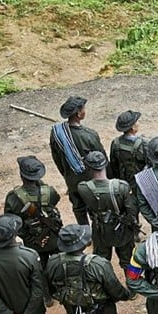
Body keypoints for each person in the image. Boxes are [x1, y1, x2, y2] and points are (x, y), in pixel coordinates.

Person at [49, 96, 107, 225]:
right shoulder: (89, 135)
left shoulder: (57, 132)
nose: (85, 111)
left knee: (78, 207)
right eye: (84, 109)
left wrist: (66, 174)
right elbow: (102, 159)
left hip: (71, 178)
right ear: (78, 114)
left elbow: (56, 158)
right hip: (90, 179)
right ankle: (97, 230)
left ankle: (84, 231)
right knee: (95, 207)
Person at [77, 151, 137, 270]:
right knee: (128, 263)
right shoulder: (121, 186)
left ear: (88, 168)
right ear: (105, 165)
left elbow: (80, 209)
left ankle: (103, 287)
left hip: (100, 230)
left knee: (101, 263)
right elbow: (132, 212)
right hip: (122, 230)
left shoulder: (83, 188)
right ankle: (133, 286)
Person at [4, 155, 62, 271]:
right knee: (59, 268)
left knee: (39, 271)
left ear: (21, 175)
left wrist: (25, 234)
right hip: (54, 238)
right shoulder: (49, 191)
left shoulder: (13, 197)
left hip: (32, 242)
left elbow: (10, 221)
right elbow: (55, 200)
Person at [109, 109, 148, 196]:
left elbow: (113, 165)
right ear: (133, 127)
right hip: (141, 185)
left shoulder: (115, 143)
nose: (139, 123)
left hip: (123, 184)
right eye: (137, 121)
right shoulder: (144, 144)